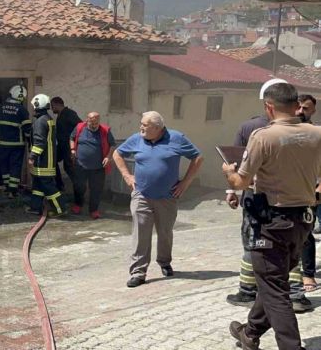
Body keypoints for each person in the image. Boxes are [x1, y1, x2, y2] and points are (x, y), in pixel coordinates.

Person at [224, 82, 321, 350]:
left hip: (270, 222)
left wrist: (227, 172)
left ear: (269, 106)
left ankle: (291, 346)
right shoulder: (317, 133)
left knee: (276, 291)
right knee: (273, 280)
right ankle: (250, 332)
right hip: (302, 221)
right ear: (295, 104)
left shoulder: (263, 136)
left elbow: (241, 181)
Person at [113, 111, 203, 288]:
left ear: (157, 128)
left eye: (144, 125)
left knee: (165, 232)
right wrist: (127, 176)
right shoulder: (137, 139)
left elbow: (198, 157)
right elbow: (117, 154)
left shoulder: (176, 138)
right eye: (141, 124)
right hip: (141, 195)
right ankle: (138, 271)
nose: (141, 128)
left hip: (167, 198)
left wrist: (185, 183)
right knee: (140, 233)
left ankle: (164, 262)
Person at [0, 85, 31, 197]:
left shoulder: (1, 107)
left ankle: (7, 186)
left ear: (11, 94)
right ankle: (13, 190)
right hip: (17, 144)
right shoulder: (23, 110)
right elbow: (27, 130)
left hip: (2, 143)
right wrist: (30, 142)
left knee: (4, 165)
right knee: (15, 166)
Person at [69, 112, 115, 218]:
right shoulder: (80, 127)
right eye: (92, 123)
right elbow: (71, 137)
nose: (94, 125)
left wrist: (108, 157)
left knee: (96, 189)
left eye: (96, 123)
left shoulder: (105, 130)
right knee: (79, 186)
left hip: (98, 167)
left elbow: (112, 145)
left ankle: (93, 210)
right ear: (87, 120)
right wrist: (72, 150)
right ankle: (78, 205)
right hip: (80, 165)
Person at [25, 93, 64, 217]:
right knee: (37, 185)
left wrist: (32, 157)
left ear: (37, 105)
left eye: (34, 105)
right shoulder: (47, 119)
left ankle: (60, 209)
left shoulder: (40, 121)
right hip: (46, 159)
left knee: (48, 186)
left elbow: (39, 142)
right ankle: (35, 207)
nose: (33, 108)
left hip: (43, 161)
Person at [296, 94, 319, 293]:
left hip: (310, 192)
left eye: (305, 108)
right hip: (286, 192)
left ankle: (308, 274)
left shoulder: (316, 134)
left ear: (313, 111)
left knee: (305, 233)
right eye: (298, 107)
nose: (300, 111)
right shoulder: (283, 132)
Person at [50, 97, 81, 192]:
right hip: (62, 146)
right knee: (52, 161)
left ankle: (79, 188)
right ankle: (60, 185)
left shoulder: (69, 113)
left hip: (69, 146)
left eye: (52, 106)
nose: (52, 109)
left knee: (69, 167)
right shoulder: (61, 115)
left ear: (57, 104)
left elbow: (80, 126)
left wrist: (73, 142)